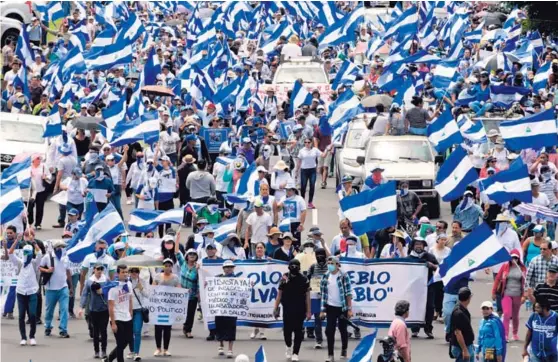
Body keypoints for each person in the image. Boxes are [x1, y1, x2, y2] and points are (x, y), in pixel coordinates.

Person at [273, 259, 311, 362]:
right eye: (292, 265)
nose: (294, 267)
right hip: (287, 308)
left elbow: (307, 296)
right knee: (287, 331)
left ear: (299, 267)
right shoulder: (285, 277)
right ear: (289, 267)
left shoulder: (304, 279)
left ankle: (295, 353)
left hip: (300, 308)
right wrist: (275, 308)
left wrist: (308, 311)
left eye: (296, 266)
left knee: (298, 332)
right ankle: (288, 346)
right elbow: (279, 294)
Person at [5, 241, 41, 346]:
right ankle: (23, 337)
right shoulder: (20, 262)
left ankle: (32, 336)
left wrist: (34, 243)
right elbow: (10, 253)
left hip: (32, 292)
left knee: (33, 314)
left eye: (28, 253)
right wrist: (17, 240)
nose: (27, 255)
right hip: (21, 292)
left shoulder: (34, 263)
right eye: (25, 252)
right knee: (21, 315)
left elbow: (39, 254)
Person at [320, 256, 353, 362]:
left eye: (332, 263)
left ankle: (344, 349)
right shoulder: (325, 276)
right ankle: (330, 354)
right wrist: (322, 310)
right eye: (328, 263)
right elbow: (323, 294)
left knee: (343, 329)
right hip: (330, 307)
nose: (329, 265)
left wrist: (349, 309)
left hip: (342, 307)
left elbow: (348, 293)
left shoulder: (343, 276)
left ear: (337, 265)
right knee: (330, 330)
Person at [39, 239, 73, 338]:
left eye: (62, 246)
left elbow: (68, 272)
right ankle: (48, 326)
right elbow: (40, 267)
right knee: (49, 310)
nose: (61, 248)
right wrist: (47, 270)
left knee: (64, 309)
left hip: (63, 288)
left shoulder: (65, 258)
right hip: (51, 288)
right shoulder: (48, 257)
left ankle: (63, 329)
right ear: (55, 248)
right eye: (59, 246)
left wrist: (71, 287)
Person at [103, 265, 133, 362]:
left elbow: (130, 299)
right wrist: (113, 322)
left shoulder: (128, 284)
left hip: (127, 317)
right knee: (120, 343)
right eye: (123, 272)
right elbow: (110, 306)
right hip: (117, 317)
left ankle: (109, 359)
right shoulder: (112, 287)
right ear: (118, 273)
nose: (125, 274)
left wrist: (131, 313)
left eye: (126, 272)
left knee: (126, 341)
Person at [408, 238, 438, 339]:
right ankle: (415, 329)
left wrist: (432, 266)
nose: (419, 246)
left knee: (430, 307)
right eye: (416, 244)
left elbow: (439, 269)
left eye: (421, 244)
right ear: (413, 246)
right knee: (415, 307)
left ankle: (428, 329)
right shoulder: (409, 258)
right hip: (414, 288)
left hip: (429, 286)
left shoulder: (430, 256)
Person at [80, 263, 109, 359]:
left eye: (101, 269)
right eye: (98, 269)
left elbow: (111, 291)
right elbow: (85, 294)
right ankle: (96, 351)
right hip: (93, 309)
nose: (100, 271)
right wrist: (81, 307)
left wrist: (103, 291)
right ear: (94, 270)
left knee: (104, 330)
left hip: (104, 309)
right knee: (95, 331)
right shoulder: (89, 281)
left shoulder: (106, 280)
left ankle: (104, 350)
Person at [152, 258, 181, 356]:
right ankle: (158, 348)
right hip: (159, 307)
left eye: (169, 266)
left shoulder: (175, 277)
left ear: (172, 267)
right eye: (165, 265)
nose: (167, 267)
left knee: (167, 328)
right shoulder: (157, 276)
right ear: (163, 267)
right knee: (158, 328)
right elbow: (153, 289)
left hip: (170, 307)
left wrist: (184, 292)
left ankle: (166, 349)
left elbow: (179, 290)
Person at [175, 242, 199, 339]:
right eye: (190, 254)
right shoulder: (183, 264)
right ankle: (185, 326)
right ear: (187, 256)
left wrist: (198, 292)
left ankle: (188, 330)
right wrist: (177, 238)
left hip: (192, 294)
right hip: (182, 293)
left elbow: (199, 281)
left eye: (194, 254)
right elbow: (176, 252)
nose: (192, 256)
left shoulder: (197, 268)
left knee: (190, 313)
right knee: (183, 312)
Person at [215, 260, 239, 358]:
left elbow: (243, 290)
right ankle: (221, 345)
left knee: (231, 327)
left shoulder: (237, 279)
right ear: (223, 269)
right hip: (220, 307)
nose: (229, 269)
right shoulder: (217, 278)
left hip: (232, 308)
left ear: (233, 268)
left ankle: (230, 349)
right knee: (219, 326)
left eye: (230, 267)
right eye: (227, 267)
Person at [523, 297, 558, 362]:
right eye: (535, 307)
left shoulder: (555, 317)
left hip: (551, 354)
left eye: (538, 307)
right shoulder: (533, 316)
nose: (535, 309)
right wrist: (524, 348)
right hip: (535, 353)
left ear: (544, 308)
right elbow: (529, 333)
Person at [306, 248, 328, 348]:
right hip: (315, 296)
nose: (320, 257)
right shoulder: (312, 267)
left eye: (321, 254)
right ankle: (318, 340)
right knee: (317, 319)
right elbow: (307, 279)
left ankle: (329, 336)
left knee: (329, 319)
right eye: (317, 255)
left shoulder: (330, 266)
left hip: (328, 297)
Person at [449, 287, 475, 362]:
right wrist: (464, 350)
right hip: (462, 347)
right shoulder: (458, 313)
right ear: (469, 298)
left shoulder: (461, 309)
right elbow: (458, 333)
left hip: (467, 345)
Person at [129, 267, 148, 361]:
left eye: (136, 271)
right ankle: (132, 350)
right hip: (128, 310)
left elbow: (147, 295)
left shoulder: (142, 281)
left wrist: (141, 288)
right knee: (129, 332)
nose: (134, 273)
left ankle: (136, 353)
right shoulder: (126, 282)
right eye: (132, 271)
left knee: (137, 331)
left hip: (139, 310)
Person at [297, 138, 322, 209]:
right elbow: (299, 161)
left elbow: (323, 155)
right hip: (304, 170)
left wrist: (327, 149)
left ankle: (310, 202)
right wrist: (296, 170)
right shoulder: (301, 151)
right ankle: (302, 202)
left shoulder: (315, 150)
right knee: (303, 186)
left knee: (312, 186)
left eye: (308, 142)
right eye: (305, 142)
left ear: (311, 143)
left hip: (312, 170)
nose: (307, 144)